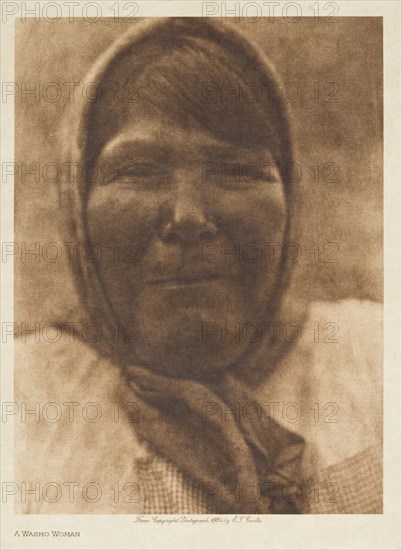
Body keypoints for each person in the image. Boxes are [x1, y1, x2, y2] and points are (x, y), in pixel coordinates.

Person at [14, 17, 382, 514]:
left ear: (291, 197)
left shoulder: (375, 365)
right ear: (75, 202)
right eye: (138, 171)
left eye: (235, 171)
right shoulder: (24, 396)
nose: (188, 218)